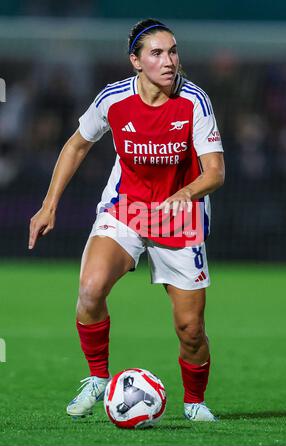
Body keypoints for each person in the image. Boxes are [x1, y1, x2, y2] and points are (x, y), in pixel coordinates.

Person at [28, 18, 225, 422]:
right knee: (90, 289)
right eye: (157, 53)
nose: (169, 61)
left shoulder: (194, 101)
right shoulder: (113, 99)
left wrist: (185, 193)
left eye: (173, 51)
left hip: (181, 219)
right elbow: (77, 145)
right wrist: (49, 204)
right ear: (136, 61)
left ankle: (194, 402)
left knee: (190, 330)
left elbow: (215, 172)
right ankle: (98, 378)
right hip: (127, 209)